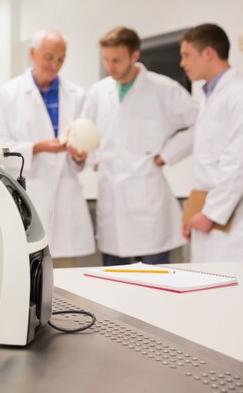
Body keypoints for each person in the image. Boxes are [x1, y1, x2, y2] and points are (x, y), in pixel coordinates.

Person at [82, 26, 198, 266]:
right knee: (113, 284)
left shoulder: (163, 88)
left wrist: (167, 155)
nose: (110, 66)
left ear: (135, 56)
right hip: (112, 197)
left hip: (148, 199)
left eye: (117, 60)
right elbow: (85, 131)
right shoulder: (98, 92)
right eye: (106, 59)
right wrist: (95, 158)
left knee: (155, 280)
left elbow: (199, 123)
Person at [0, 30, 95, 266]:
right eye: (49, 57)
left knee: (66, 280)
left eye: (61, 58)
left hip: (66, 197)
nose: (55, 65)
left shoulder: (77, 95)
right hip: (28, 194)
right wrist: (37, 148)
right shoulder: (8, 94)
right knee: (25, 277)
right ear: (33, 53)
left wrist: (79, 155)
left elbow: (86, 143)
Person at [180, 23, 243, 262]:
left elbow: (237, 162)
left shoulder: (238, 94)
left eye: (187, 55)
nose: (182, 63)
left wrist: (210, 214)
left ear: (208, 53)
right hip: (209, 216)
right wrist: (194, 214)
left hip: (229, 220)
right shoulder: (209, 96)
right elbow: (208, 166)